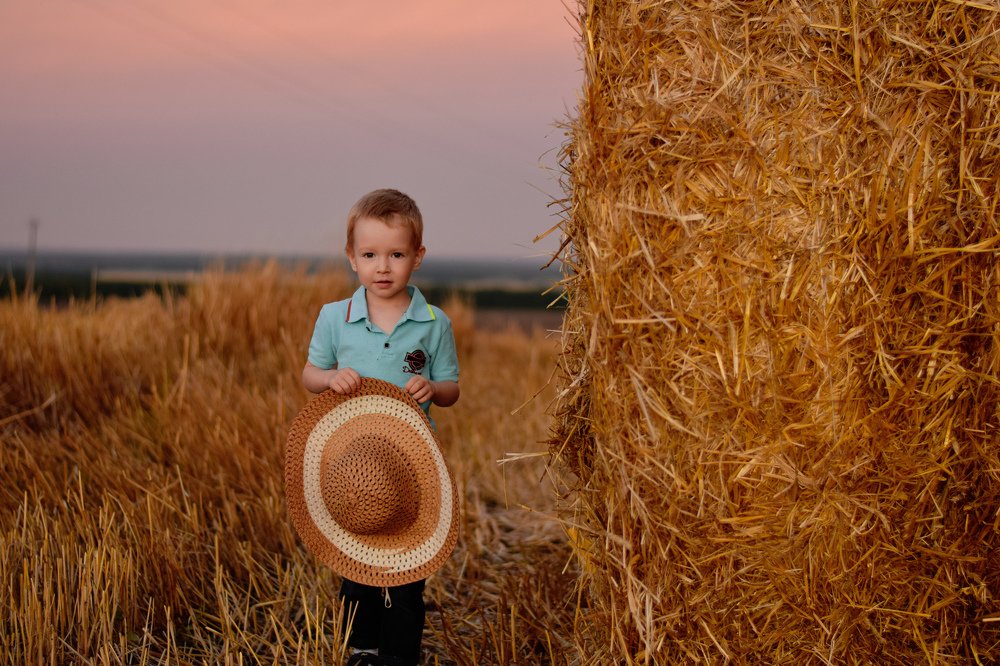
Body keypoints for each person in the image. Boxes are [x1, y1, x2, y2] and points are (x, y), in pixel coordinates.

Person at [302, 188, 460, 666]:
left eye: (397, 255)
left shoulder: (434, 322)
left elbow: (452, 389)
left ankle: (399, 656)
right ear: (351, 257)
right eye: (370, 255)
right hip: (353, 463)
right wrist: (330, 378)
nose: (383, 267)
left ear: (418, 256)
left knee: (408, 575)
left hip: (410, 466)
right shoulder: (335, 317)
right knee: (357, 572)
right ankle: (362, 650)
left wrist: (433, 388)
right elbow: (310, 375)